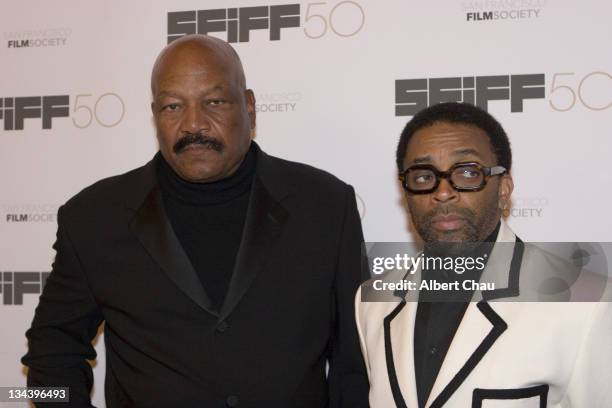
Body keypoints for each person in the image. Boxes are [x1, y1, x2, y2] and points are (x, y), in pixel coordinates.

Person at [22, 34, 369, 408]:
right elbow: (49, 352)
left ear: (249, 107)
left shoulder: (326, 205)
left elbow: (357, 360)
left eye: (214, 102)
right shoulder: (93, 218)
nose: (193, 124)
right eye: (172, 106)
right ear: (155, 114)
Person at [355, 102, 612, 407]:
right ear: (405, 192)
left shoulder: (587, 303)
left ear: (504, 188)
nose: (443, 192)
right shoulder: (372, 300)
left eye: (467, 172)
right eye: (423, 176)